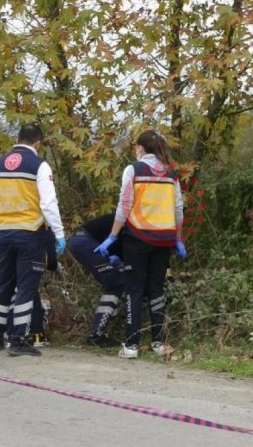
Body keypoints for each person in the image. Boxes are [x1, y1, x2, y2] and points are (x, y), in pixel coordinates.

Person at [95, 130, 186, 359]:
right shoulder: (171, 173)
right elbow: (178, 209)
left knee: (134, 290)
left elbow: (124, 206)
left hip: (138, 238)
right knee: (156, 289)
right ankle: (159, 343)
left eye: (136, 147)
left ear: (141, 148)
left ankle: (131, 345)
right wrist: (177, 238)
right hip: (164, 239)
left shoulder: (134, 170)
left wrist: (113, 236)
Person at [0, 123, 66, 357]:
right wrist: (58, 234)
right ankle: (18, 339)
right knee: (27, 287)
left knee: (3, 286)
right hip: (30, 234)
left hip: (4, 234)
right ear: (37, 143)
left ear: (17, 139)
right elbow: (48, 204)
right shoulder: (39, 165)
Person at [68, 214, 130, 348]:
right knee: (115, 285)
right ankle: (95, 335)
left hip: (81, 241)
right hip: (86, 242)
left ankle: (100, 331)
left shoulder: (126, 219)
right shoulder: (128, 220)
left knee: (116, 281)